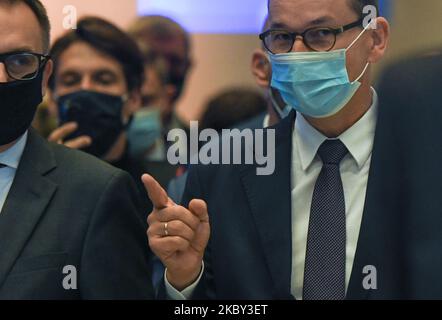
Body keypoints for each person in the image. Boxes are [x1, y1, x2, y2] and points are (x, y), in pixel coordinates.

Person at [145, 0, 442, 300]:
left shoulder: (427, 163)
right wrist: (184, 279)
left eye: (320, 34)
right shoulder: (222, 167)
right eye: (282, 37)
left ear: (375, 39)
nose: (296, 54)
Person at [0, 0, 153, 299]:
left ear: (44, 78)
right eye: (72, 80)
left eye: (20, 60)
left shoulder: (97, 190)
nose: (1, 78)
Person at [47, 17, 152, 212]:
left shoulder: (154, 194)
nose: (86, 89)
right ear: (52, 100)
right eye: (71, 80)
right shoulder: (22, 186)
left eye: (103, 80)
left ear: (134, 99)